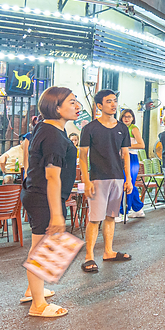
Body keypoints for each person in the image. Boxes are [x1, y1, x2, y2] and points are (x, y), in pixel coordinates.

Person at [20, 87, 81, 318]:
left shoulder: (48, 128)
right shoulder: (53, 134)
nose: (77, 107)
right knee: (41, 251)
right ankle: (38, 305)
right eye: (72, 102)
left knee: (44, 249)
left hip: (38, 194)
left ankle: (32, 290)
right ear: (56, 107)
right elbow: (52, 176)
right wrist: (57, 214)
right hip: (44, 197)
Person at [78, 90, 133, 274]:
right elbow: (83, 156)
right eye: (109, 101)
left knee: (111, 216)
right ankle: (89, 257)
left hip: (117, 177)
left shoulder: (122, 128)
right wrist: (86, 180)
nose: (113, 104)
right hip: (97, 178)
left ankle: (108, 251)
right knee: (95, 219)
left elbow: (125, 154)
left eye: (115, 101)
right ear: (99, 106)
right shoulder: (90, 128)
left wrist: (128, 179)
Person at [120, 108, 148, 217]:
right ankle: (138, 208)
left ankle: (123, 212)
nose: (127, 119)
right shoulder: (120, 128)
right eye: (124, 116)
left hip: (131, 158)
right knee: (128, 183)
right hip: (121, 158)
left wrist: (125, 146)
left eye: (129, 117)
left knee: (127, 183)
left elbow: (142, 145)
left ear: (133, 118)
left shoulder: (133, 128)